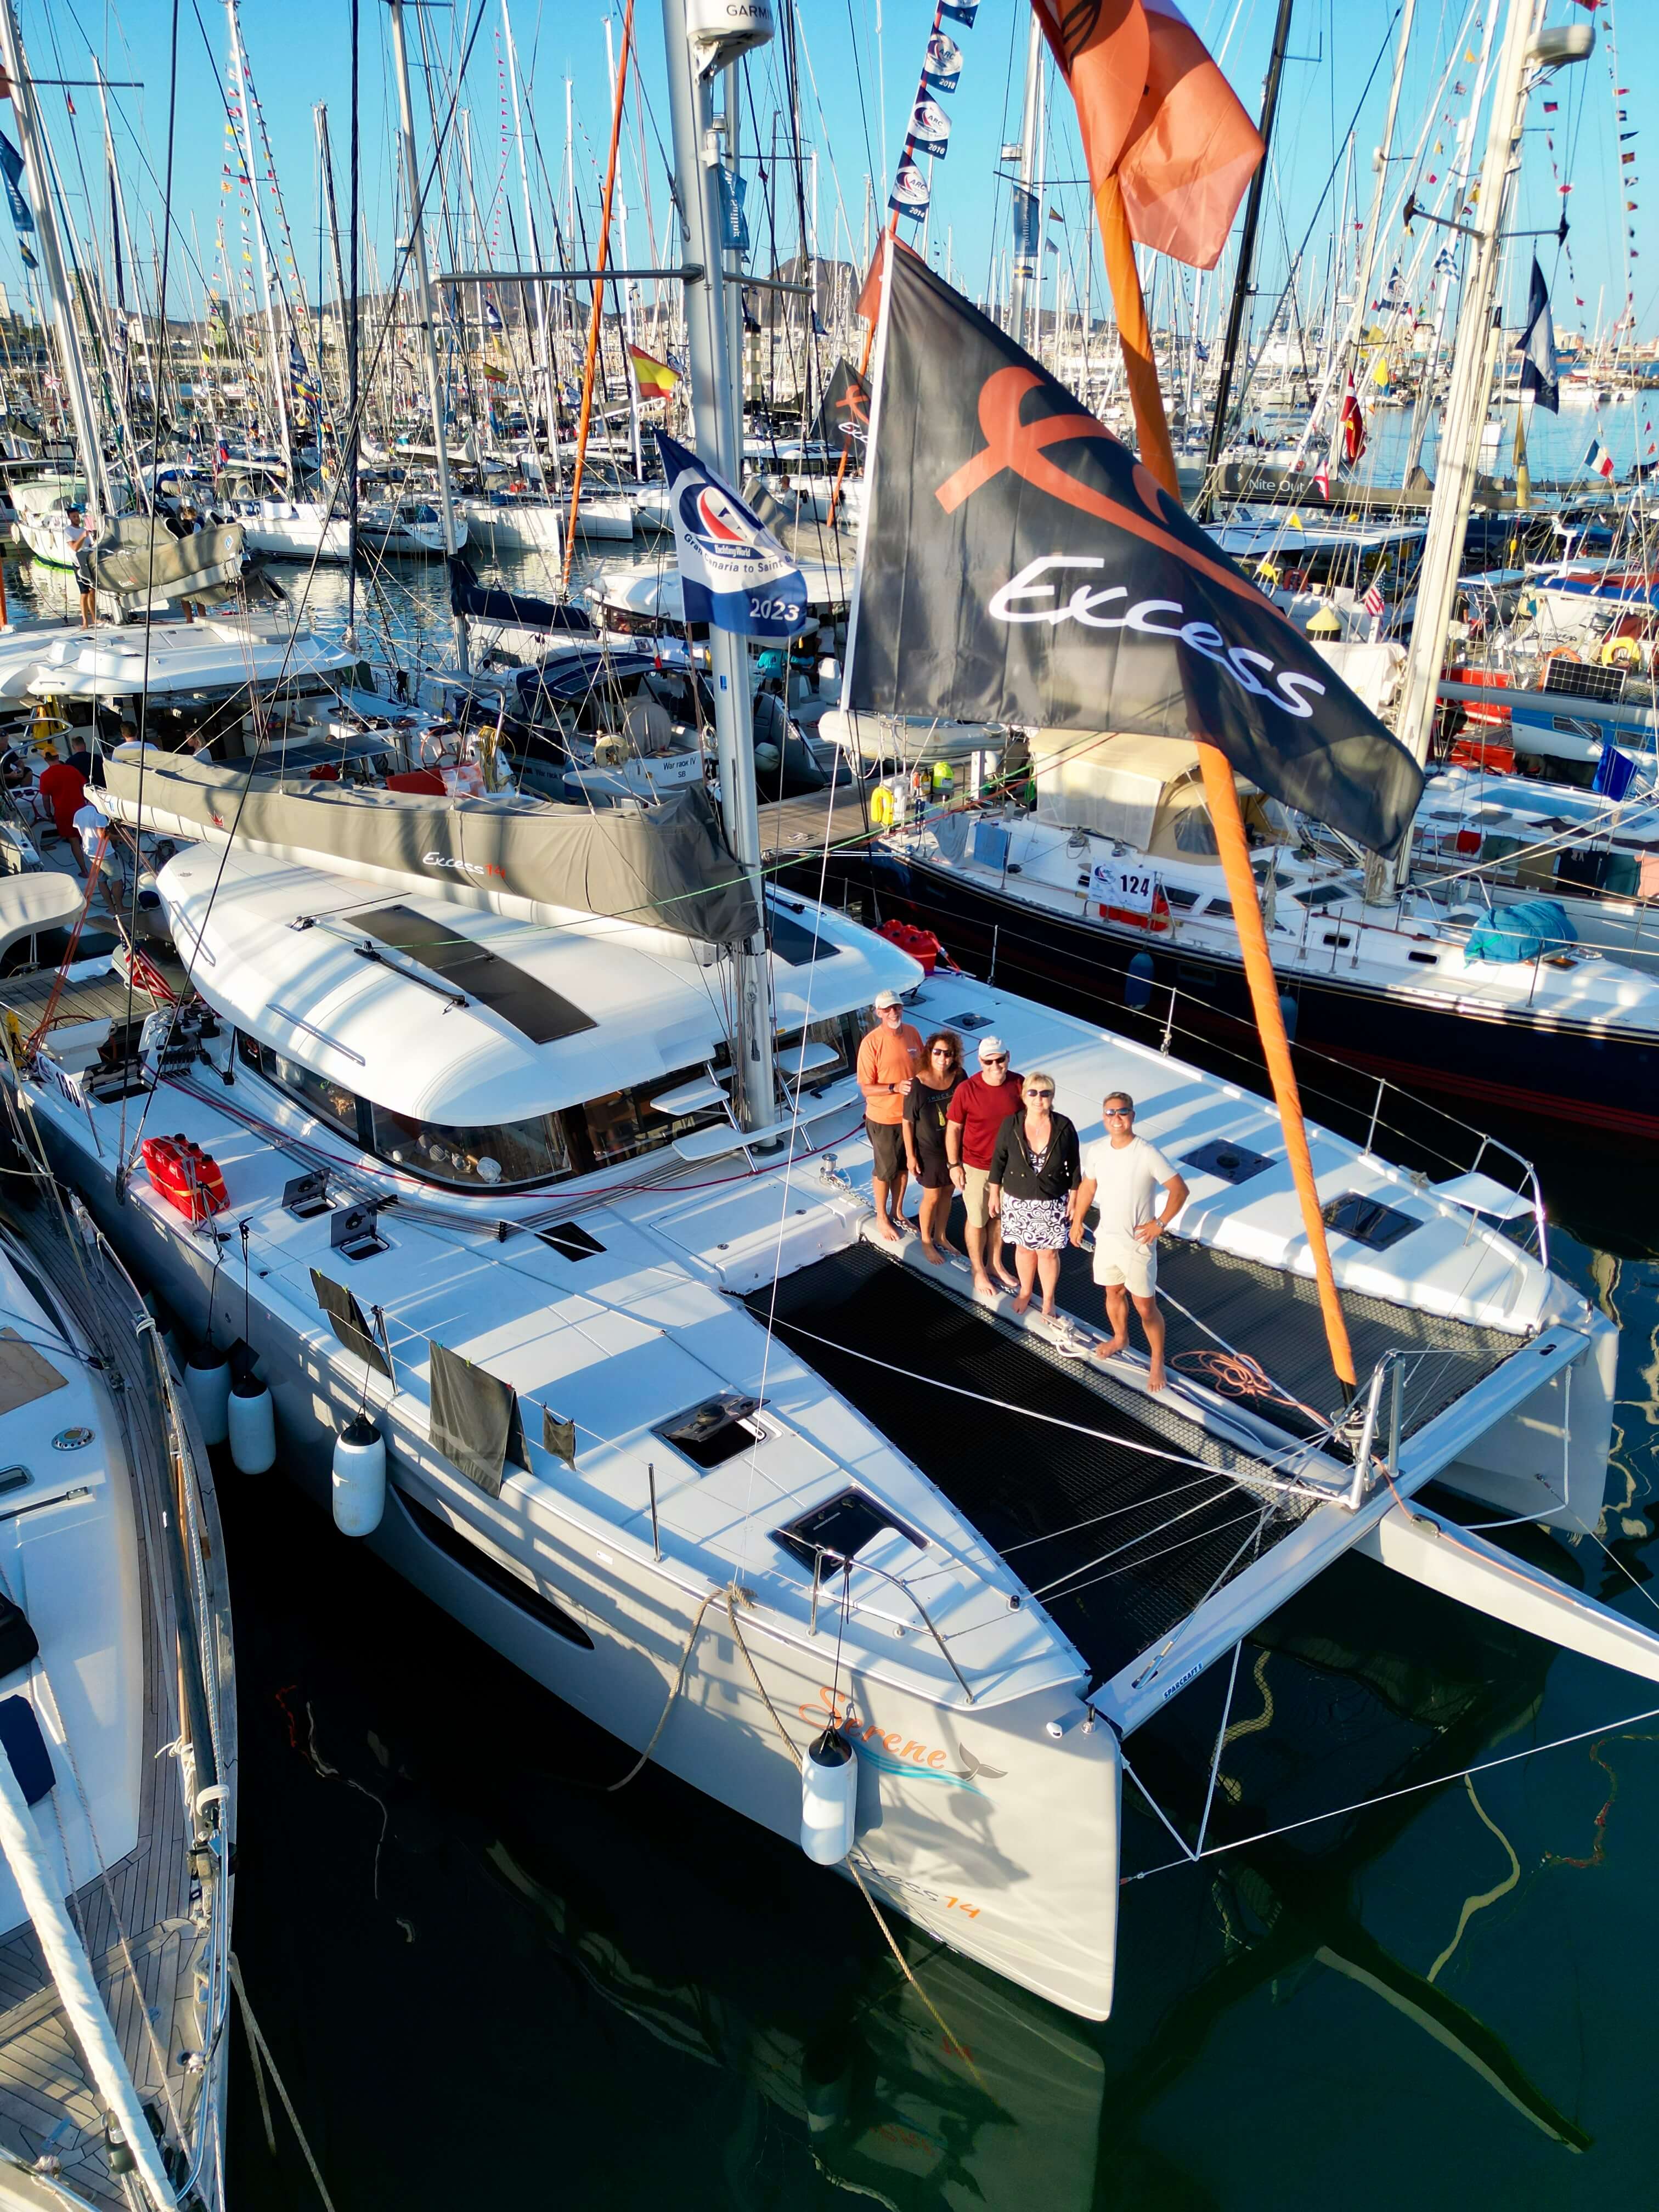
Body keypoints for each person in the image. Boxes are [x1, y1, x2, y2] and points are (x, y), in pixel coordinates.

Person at [1072, 1091, 1189, 1391]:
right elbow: (1088, 1186)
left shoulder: (1146, 1152)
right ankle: (1120, 1338)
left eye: (1123, 1112)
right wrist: (1077, 1221)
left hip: (1138, 1244)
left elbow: (1180, 1190)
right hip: (1108, 1239)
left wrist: (1160, 1224)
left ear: (1133, 1116)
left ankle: (1157, 1360)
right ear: (1103, 1117)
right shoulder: (1097, 1151)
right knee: (1113, 1292)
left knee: (1145, 1306)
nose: (1116, 1118)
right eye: (1110, 1113)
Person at [986, 1073, 1081, 1323]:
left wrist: (1074, 1197)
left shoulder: (1064, 1126)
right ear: (1024, 1096)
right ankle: (1026, 1291)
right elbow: (999, 1160)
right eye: (1033, 1093)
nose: (1039, 1099)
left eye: (1045, 1093)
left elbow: (1074, 1165)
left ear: (1052, 1097)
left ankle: (1048, 1300)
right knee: (1024, 1248)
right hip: (1018, 1199)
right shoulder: (1012, 1124)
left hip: (1052, 1198)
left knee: (1048, 1254)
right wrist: (994, 1192)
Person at [945, 1035, 1024, 1297]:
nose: (995, 1066)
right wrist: (954, 1164)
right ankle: (978, 1269)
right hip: (976, 1166)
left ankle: (995, 1263)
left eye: (1000, 1060)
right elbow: (954, 1128)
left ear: (1008, 1057)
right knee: (978, 1219)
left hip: (1009, 1167)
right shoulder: (966, 1090)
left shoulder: (1019, 1084)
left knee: (1000, 1217)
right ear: (980, 1061)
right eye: (989, 1062)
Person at [856, 988, 923, 1241]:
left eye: (897, 1007)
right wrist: (895, 1087)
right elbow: (866, 1088)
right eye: (887, 1009)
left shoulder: (913, 1033)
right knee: (885, 1171)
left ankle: (898, 1211)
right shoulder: (871, 1043)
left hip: (910, 1118)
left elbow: (923, 1068)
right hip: (884, 1120)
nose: (893, 1012)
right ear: (878, 1013)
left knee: (905, 1168)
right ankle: (882, 1217)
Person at [902, 1029, 964, 1264]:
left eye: (948, 1054)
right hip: (929, 1151)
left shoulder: (959, 1077)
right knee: (932, 1196)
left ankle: (941, 1235)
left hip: (954, 1147)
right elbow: (907, 1122)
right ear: (929, 1053)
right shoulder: (918, 1085)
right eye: (937, 1052)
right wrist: (910, 1156)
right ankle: (926, 1241)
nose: (942, 1058)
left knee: (949, 1191)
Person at [37, 747, 89, 872]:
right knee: (89, 836)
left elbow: (45, 799)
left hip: (63, 813)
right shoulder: (72, 770)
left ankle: (85, 871)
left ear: (45, 760)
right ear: (58, 757)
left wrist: (49, 814)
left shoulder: (45, 776)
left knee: (74, 841)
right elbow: (85, 787)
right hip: (81, 809)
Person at [65, 508, 96, 628]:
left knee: (92, 591)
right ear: (69, 518)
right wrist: (83, 537)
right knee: (84, 593)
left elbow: (89, 546)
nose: (77, 519)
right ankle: (85, 622)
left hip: (88, 563)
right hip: (78, 564)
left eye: (78, 516)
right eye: (74, 517)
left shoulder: (84, 530)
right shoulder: (68, 531)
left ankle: (94, 618)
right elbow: (74, 547)